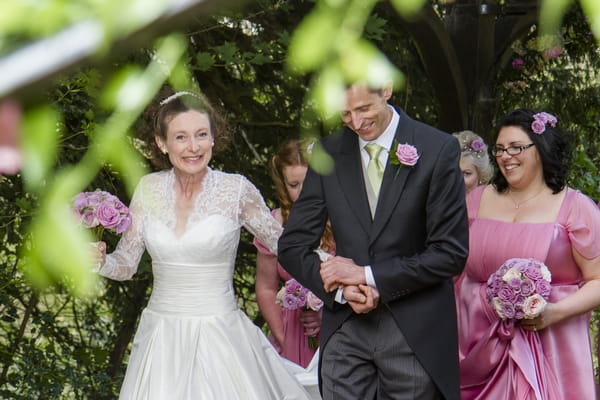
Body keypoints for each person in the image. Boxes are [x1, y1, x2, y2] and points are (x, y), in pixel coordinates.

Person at [94, 89, 311, 399]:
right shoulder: (147, 189)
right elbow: (126, 265)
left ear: (213, 138)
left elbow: (287, 246)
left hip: (221, 339)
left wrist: (336, 275)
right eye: (181, 137)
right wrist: (100, 260)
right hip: (162, 341)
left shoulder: (236, 190)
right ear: (161, 143)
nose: (193, 147)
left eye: (201, 135)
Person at [278, 82, 469, 400]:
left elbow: (450, 253)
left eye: (364, 108)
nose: (355, 122)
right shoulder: (329, 152)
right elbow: (292, 246)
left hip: (413, 330)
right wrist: (341, 289)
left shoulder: (437, 148)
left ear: (387, 90)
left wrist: (367, 276)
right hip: (346, 329)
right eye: (345, 113)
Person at [454, 109, 600, 399]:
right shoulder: (476, 200)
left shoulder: (575, 207)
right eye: (500, 149)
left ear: (541, 149)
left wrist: (554, 312)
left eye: (516, 147)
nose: (506, 156)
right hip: (477, 343)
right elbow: (452, 268)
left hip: (551, 344)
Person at [253, 139, 335, 368]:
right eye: (294, 184)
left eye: (308, 182)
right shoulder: (275, 223)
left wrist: (326, 318)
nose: (302, 191)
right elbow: (266, 288)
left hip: (339, 327)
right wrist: (283, 336)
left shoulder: (343, 218)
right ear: (283, 185)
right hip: (293, 330)